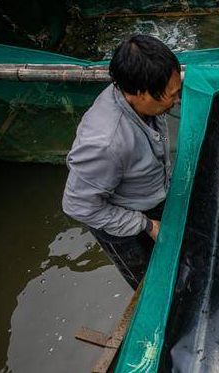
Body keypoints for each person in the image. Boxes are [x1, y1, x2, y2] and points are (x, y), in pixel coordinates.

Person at [62, 34, 181, 289]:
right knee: (151, 285)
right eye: (171, 95)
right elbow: (78, 205)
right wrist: (145, 225)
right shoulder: (105, 144)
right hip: (121, 225)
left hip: (150, 195)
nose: (177, 100)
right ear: (139, 94)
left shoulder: (143, 94)